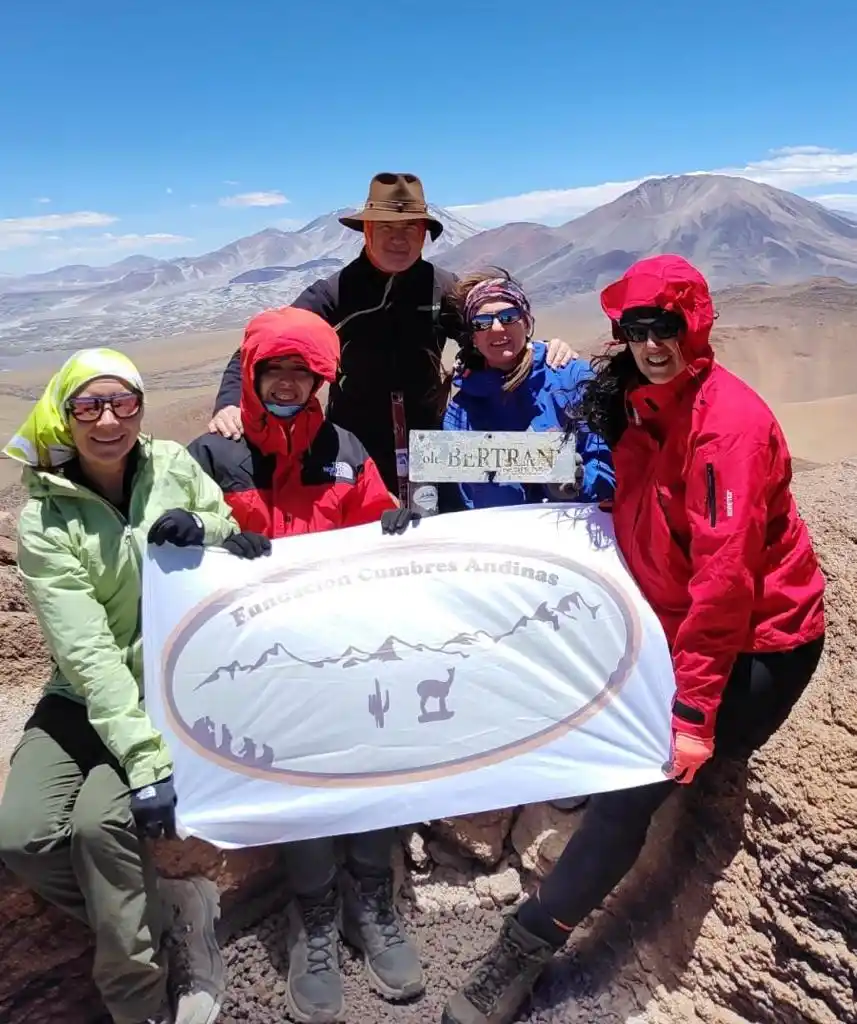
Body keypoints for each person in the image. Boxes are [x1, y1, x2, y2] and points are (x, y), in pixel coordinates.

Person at [442, 254, 826, 1024]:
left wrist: (691, 718)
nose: (652, 344)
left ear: (697, 326)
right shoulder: (635, 398)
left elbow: (724, 583)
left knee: (631, 784)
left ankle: (521, 951)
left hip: (757, 642)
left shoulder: (726, 430)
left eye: (667, 328)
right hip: (665, 616)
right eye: (635, 330)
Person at [0, 348, 269, 1024]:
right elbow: (87, 653)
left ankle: (139, 1002)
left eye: (124, 402)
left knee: (99, 828)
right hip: (83, 695)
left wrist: (200, 528)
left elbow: (232, 531)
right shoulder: (44, 519)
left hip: (169, 687)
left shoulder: (173, 466)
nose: (109, 419)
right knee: (23, 838)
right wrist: (147, 766)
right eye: (88, 406)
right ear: (64, 418)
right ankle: (168, 914)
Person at [188, 307, 422, 1024]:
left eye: (303, 373)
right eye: (275, 371)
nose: (289, 383)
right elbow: (177, 534)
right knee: (295, 774)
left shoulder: (346, 449)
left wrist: (394, 525)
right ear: (252, 376)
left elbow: (374, 522)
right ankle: (313, 917)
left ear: (321, 380)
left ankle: (370, 902)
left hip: (345, 657)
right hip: (262, 671)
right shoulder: (210, 455)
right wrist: (192, 538)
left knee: (372, 760)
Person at [207, 172, 574, 498]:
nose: (399, 240)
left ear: (424, 236)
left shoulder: (443, 288)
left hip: (432, 436)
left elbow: (493, 336)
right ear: (366, 232)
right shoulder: (336, 292)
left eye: (410, 230)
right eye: (387, 228)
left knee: (441, 530)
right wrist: (228, 403)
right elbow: (264, 345)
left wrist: (544, 353)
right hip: (352, 442)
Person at [441, 268, 614, 510]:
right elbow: (470, 501)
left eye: (509, 316)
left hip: (576, 532)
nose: (498, 328)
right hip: (507, 538)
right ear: (473, 338)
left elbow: (608, 465)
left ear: (527, 322)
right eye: (482, 322)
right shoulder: (460, 414)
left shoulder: (572, 379)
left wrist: (578, 483)